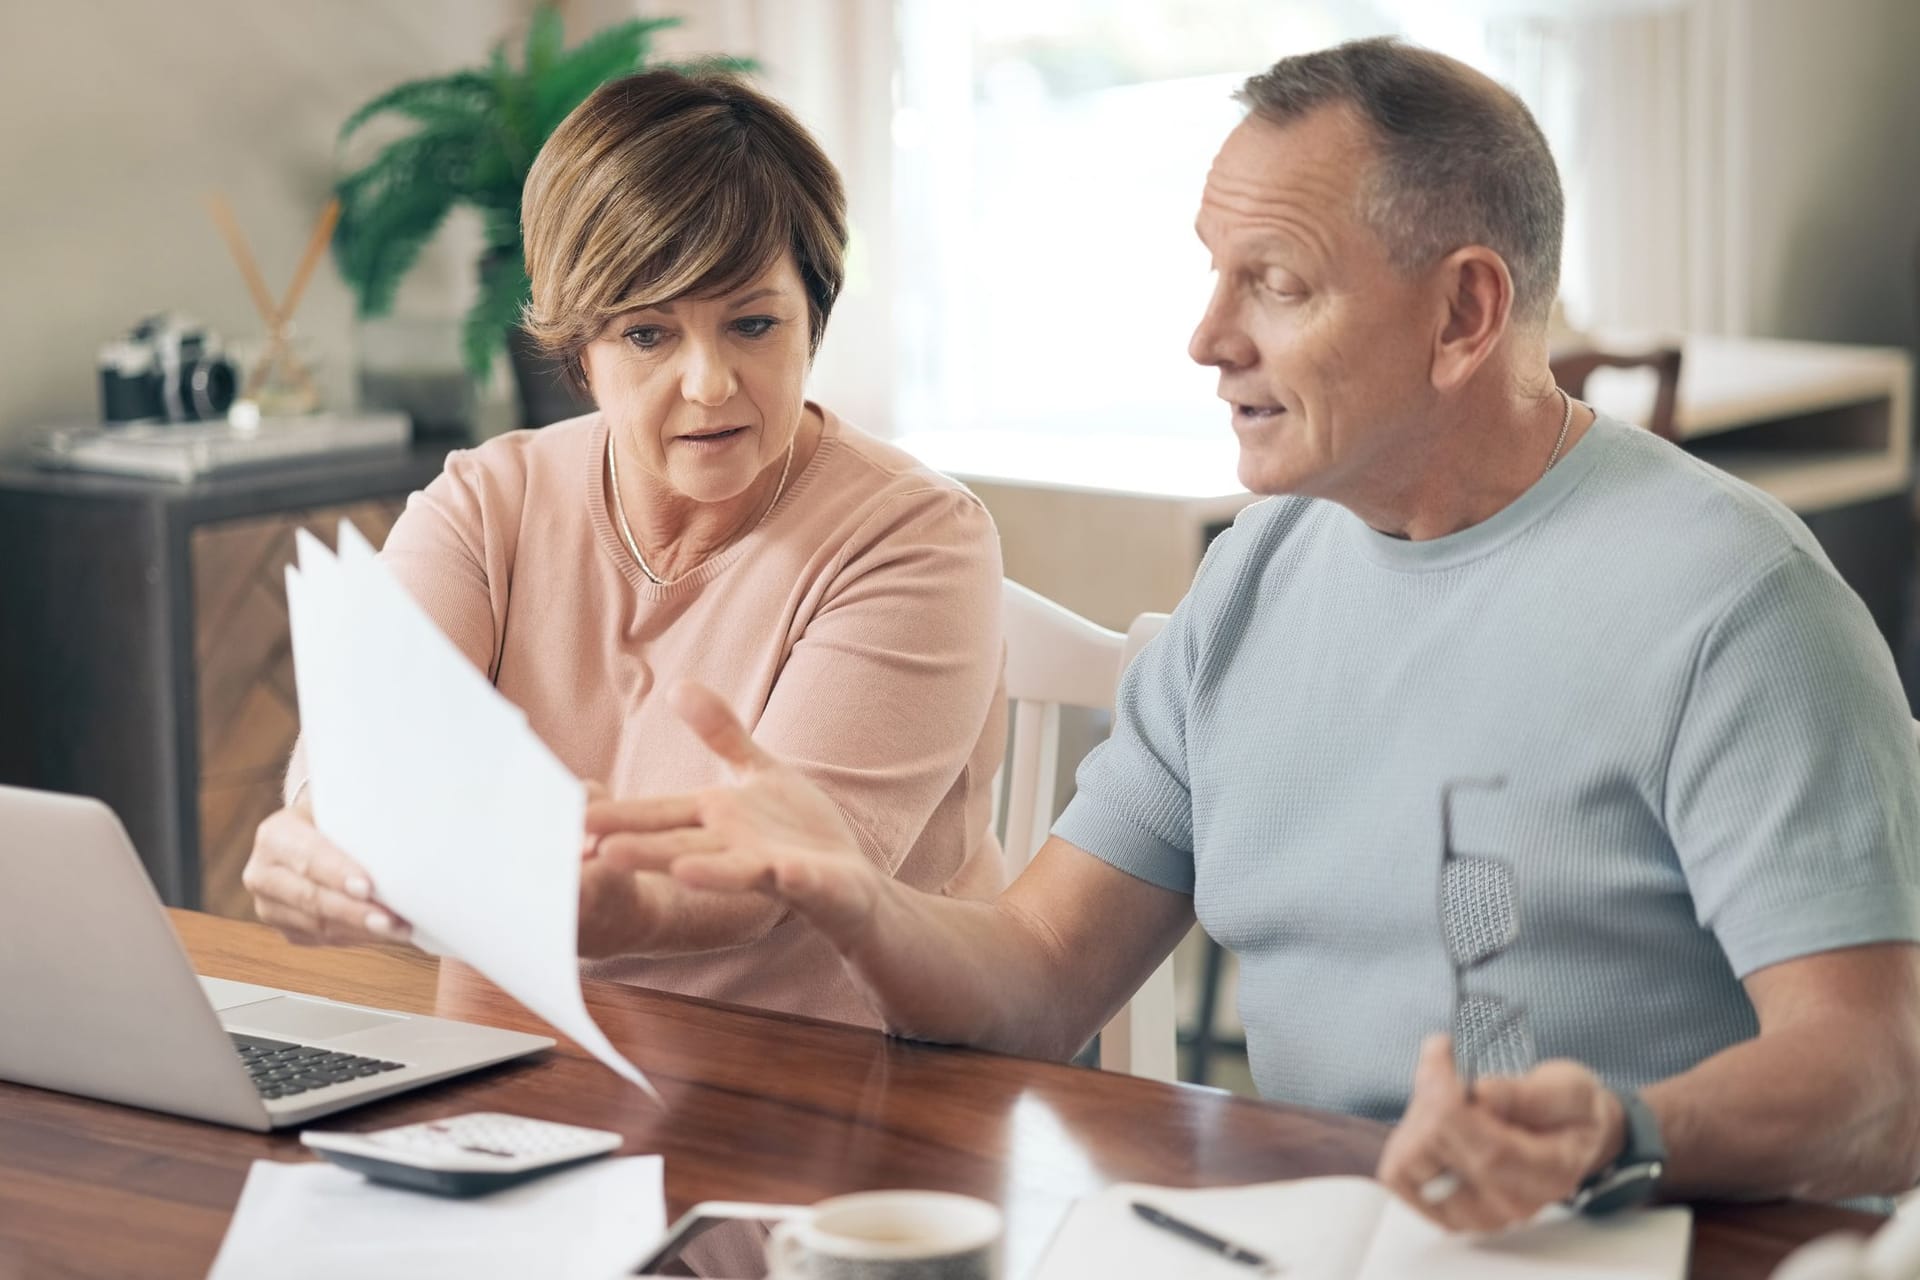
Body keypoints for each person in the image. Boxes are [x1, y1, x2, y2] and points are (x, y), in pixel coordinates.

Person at [584, 38, 1920, 1229]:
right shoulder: (1259, 576)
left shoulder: (1737, 605)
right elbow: (1044, 975)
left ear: (1465, 313)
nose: (1207, 337)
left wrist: (1621, 1136)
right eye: (1213, 276)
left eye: (1273, 283)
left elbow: (1881, 1076)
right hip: (1323, 1233)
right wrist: (854, 900)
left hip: (1658, 1244)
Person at [241, 69, 1008, 1028]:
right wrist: (321, 839)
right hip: (510, 1073)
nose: (710, 383)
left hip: (816, 1093)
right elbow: (371, 743)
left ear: (815, 313)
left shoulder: (917, 539)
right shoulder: (486, 499)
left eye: (753, 323)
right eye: (648, 333)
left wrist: (617, 902)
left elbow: (792, 875)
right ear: (579, 350)